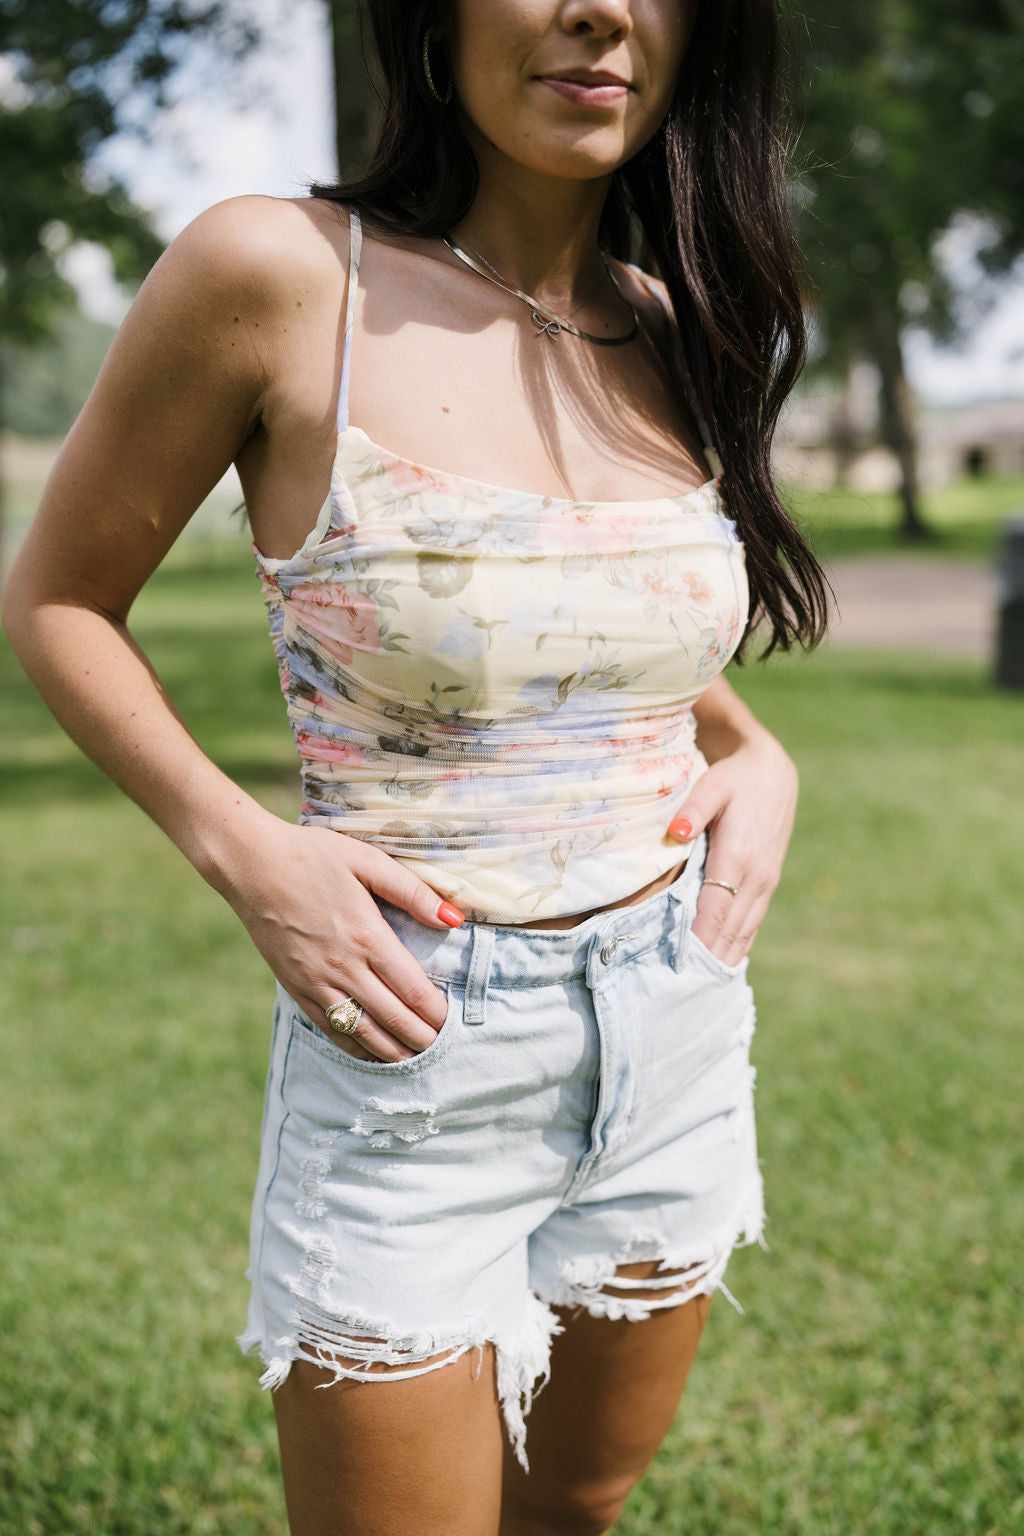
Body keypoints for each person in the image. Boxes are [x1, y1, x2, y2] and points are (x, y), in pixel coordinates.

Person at [2, 1, 830, 1531]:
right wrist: (249, 854)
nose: (601, 10)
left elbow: (605, 623)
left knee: (575, 1504)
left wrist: (757, 750)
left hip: (676, 1032)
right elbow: (56, 600)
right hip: (415, 1051)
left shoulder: (671, 314)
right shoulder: (279, 275)